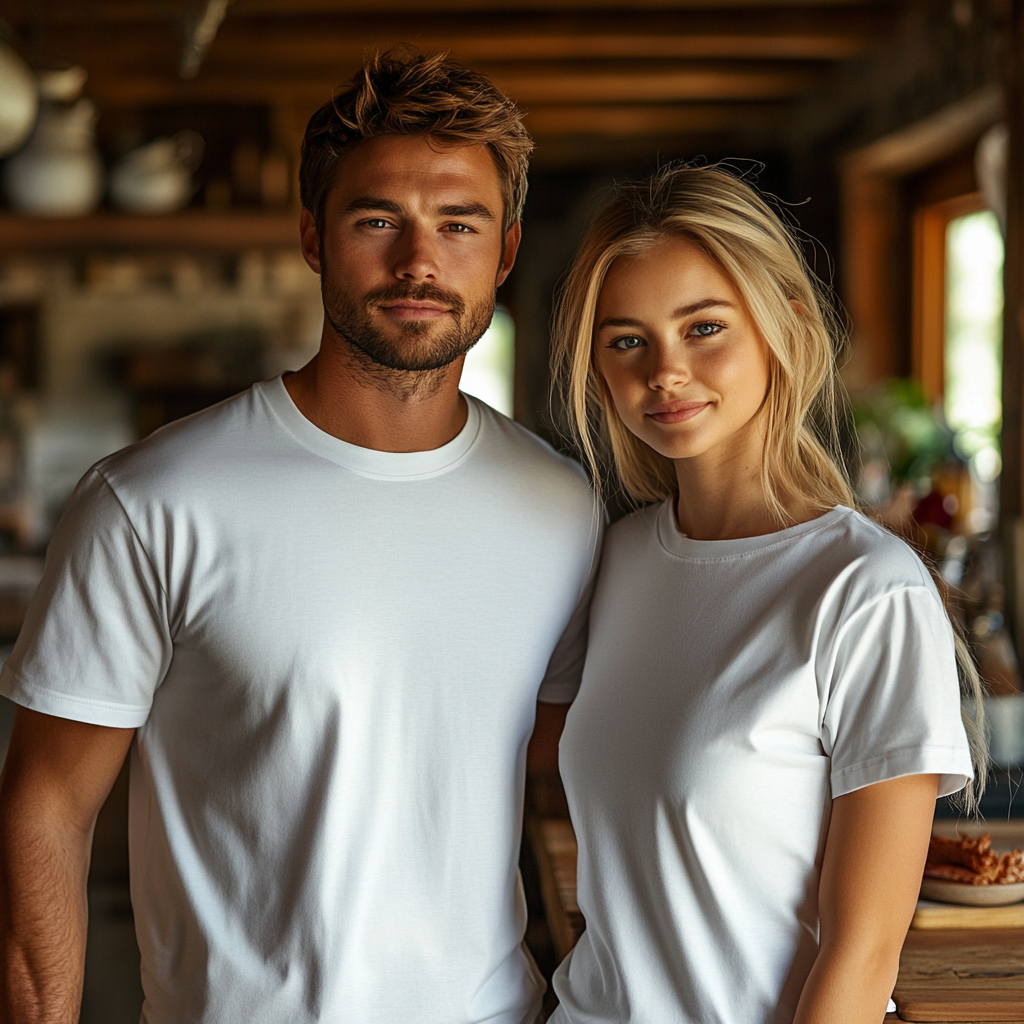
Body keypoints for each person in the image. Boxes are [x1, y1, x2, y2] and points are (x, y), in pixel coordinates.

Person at [0, 52, 599, 1024]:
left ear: (507, 250)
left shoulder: (561, 507)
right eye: (377, 221)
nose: (418, 261)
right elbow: (44, 808)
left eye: (459, 224)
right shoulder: (151, 501)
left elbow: (562, 763)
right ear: (314, 239)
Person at [547, 164, 986, 1024]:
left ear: (784, 322)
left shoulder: (865, 590)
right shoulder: (618, 560)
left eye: (703, 327)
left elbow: (861, 962)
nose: (666, 372)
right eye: (626, 340)